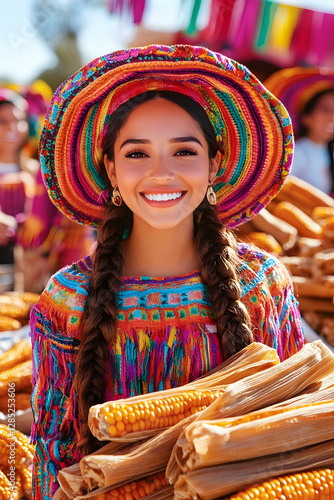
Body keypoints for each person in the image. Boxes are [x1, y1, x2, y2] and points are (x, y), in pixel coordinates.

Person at [30, 44, 304, 499]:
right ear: (111, 170)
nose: (162, 173)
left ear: (214, 165)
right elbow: (53, 447)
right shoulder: (67, 299)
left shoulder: (263, 283)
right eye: (137, 154)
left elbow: (297, 421)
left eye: (184, 151)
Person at [264, 67, 334, 196]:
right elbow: (279, 191)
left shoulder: (328, 152)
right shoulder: (297, 153)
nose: (332, 117)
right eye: (326, 110)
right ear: (307, 118)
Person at [0, 88, 38, 266]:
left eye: (18, 121)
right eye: (3, 121)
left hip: (29, 269)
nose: (12, 127)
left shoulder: (36, 171)